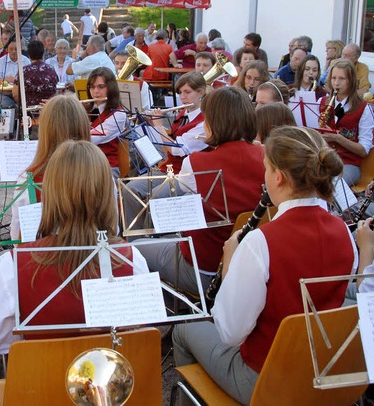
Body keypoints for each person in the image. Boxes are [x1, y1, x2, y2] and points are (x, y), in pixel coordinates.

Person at [173, 126, 355, 404]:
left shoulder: (261, 242)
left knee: (183, 330)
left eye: (266, 168)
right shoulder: (344, 231)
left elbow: (230, 332)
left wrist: (232, 264)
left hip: (267, 381)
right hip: (326, 373)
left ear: (279, 177)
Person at [0, 140, 150, 354]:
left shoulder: (11, 265)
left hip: (40, 380)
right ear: (107, 194)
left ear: (50, 193)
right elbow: (139, 332)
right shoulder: (131, 258)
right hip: (108, 382)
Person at [136, 87, 265, 296]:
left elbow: (180, 212)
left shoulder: (196, 163)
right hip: (249, 268)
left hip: (204, 269)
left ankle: (165, 310)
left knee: (136, 250)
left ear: (212, 122)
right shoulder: (266, 155)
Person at [122, 72, 209, 229]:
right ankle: (134, 236)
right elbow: (165, 144)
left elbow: (178, 150)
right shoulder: (183, 113)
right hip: (167, 169)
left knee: (153, 198)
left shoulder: (204, 122)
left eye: (188, 92)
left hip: (186, 176)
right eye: (180, 93)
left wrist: (159, 125)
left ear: (201, 92)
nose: (183, 97)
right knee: (130, 190)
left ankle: (152, 237)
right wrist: (149, 122)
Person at [9, 95, 91, 240]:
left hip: (44, 259)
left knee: (3, 260)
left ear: (45, 131)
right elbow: (113, 228)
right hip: (94, 257)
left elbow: (17, 238)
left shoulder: (28, 180)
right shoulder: (101, 174)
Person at [318, 59, 374, 186]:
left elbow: (364, 150)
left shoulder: (363, 108)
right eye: (333, 78)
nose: (336, 83)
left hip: (348, 164)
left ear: (351, 81)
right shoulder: (321, 102)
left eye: (341, 79)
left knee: (331, 185)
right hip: (322, 160)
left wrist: (337, 138)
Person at [86, 67, 127, 178]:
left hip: (106, 167)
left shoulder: (118, 115)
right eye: (92, 87)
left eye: (101, 87)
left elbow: (92, 139)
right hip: (83, 164)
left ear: (111, 88)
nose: (95, 92)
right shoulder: (84, 109)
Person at [12, 41, 58, 107]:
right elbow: (54, 90)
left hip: (28, 111)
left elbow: (15, 94)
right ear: (43, 54)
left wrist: (23, 106)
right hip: (48, 110)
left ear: (29, 55)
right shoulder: (51, 70)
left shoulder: (24, 71)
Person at [0, 39, 30, 108]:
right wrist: (6, 80)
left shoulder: (26, 60)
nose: (14, 51)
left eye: (16, 49)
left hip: (22, 93)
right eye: (11, 49)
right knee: (5, 104)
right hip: (5, 94)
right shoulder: (0, 62)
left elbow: (30, 80)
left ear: (20, 49)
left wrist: (15, 80)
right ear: (7, 49)